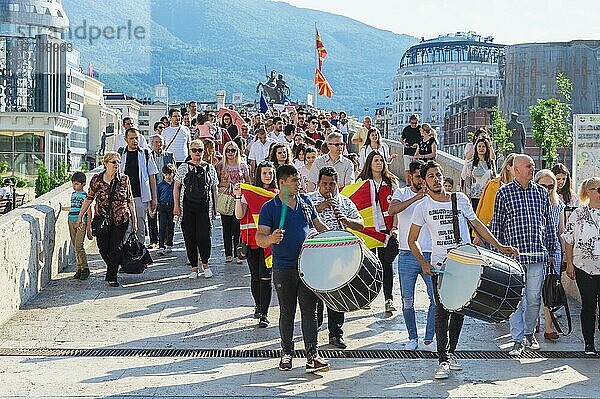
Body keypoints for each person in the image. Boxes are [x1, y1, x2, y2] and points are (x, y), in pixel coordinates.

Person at [408, 160, 518, 380]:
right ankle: (442, 360)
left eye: (438, 175)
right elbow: (412, 240)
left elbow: (478, 226)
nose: (436, 179)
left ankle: (451, 353)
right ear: (424, 181)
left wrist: (499, 247)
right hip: (441, 267)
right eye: (431, 176)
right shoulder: (423, 207)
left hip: (465, 263)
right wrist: (423, 262)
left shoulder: (460, 199)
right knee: (441, 312)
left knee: (460, 310)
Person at [256, 164, 330, 373]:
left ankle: (312, 355)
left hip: (307, 266)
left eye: (299, 180)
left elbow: (319, 227)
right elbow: (259, 238)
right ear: (282, 183)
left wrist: (337, 239)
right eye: (295, 181)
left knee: (310, 312)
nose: (299, 184)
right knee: (287, 312)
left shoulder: (306, 202)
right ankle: (286, 353)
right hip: (284, 267)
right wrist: (271, 238)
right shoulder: (270, 208)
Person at [490, 154, 557, 356]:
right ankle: (517, 339)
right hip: (514, 258)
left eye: (533, 166)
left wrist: (552, 249)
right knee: (515, 300)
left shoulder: (541, 193)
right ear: (516, 169)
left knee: (534, 298)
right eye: (528, 166)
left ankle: (529, 334)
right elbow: (497, 225)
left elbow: (548, 224)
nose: (532, 169)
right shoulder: (504, 193)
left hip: (537, 254)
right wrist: (497, 254)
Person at [307, 166, 364, 349]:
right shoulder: (308, 200)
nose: (328, 188)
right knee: (315, 293)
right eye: (324, 184)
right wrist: (319, 208)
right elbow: (300, 218)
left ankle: (336, 333)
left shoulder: (345, 202)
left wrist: (346, 221)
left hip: (339, 254)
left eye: (332, 184)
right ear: (319, 183)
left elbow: (361, 224)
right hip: (316, 254)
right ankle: (313, 331)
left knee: (338, 293)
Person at [388, 160, 436, 352]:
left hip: (430, 253)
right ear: (411, 178)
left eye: (422, 177)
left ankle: (428, 339)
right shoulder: (401, 192)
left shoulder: (432, 196)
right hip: (407, 253)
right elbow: (392, 210)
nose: (420, 181)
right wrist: (416, 197)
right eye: (417, 177)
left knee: (435, 298)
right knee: (407, 299)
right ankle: (412, 337)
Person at [76, 152, 137, 287]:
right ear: (106, 163)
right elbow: (89, 198)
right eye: (113, 162)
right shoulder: (97, 179)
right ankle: (112, 268)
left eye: (118, 162)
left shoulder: (124, 179)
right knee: (103, 248)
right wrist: (80, 216)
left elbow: (130, 200)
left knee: (116, 248)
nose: (116, 165)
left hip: (121, 219)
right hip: (102, 219)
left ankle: (112, 276)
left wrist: (134, 221)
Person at [233, 160, 278, 328]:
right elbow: (239, 215)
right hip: (251, 241)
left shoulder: (277, 193)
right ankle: (258, 306)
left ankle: (264, 313)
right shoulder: (249, 193)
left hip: (269, 242)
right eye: (265, 173)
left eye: (270, 173)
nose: (268, 176)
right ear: (259, 174)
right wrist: (238, 196)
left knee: (266, 277)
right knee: (255, 276)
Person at [358, 151, 400, 313]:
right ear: (369, 163)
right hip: (368, 229)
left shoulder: (391, 182)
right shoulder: (362, 182)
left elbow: (397, 207)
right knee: (368, 264)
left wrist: (394, 228)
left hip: (386, 229)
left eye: (381, 160)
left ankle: (388, 298)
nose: (379, 163)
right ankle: (367, 297)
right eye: (376, 160)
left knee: (386, 263)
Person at [563, 177, 600, 355]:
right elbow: (568, 240)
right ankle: (589, 343)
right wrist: (569, 264)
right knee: (589, 305)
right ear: (589, 192)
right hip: (584, 267)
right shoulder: (578, 214)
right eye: (599, 190)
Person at [173, 140, 219, 280]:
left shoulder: (209, 167)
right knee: (189, 237)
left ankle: (205, 265)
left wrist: (215, 208)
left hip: (204, 207)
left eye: (200, 150)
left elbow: (214, 188)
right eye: (194, 150)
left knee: (204, 236)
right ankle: (194, 267)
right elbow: (176, 187)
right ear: (189, 151)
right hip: (187, 207)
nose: (197, 153)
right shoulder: (183, 168)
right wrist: (176, 206)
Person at [534, 169, 565, 341]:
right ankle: (534, 320)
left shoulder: (557, 203)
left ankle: (548, 327)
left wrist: (564, 256)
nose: (546, 189)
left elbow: (561, 230)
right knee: (533, 290)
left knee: (549, 290)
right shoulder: (531, 201)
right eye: (543, 185)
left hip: (553, 251)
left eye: (550, 186)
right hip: (535, 250)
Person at [118, 128, 158, 244]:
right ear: (126, 139)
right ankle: (127, 255)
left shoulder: (145, 154)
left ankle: (141, 254)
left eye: (136, 138)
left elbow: (152, 176)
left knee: (140, 227)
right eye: (132, 138)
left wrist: (153, 198)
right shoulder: (121, 154)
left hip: (140, 196)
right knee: (125, 228)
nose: (135, 141)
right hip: (123, 198)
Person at [216, 141, 250, 264]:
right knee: (226, 228)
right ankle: (228, 253)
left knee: (237, 228)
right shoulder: (220, 165)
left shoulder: (243, 165)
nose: (230, 153)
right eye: (228, 150)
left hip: (239, 199)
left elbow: (248, 181)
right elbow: (216, 182)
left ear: (237, 151)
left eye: (233, 150)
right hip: (225, 198)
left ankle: (237, 253)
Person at [61, 172, 92, 280]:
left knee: (79, 245)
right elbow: (73, 207)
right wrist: (63, 209)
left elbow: (88, 211)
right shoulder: (73, 195)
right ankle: (79, 268)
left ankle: (85, 268)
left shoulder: (85, 196)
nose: (74, 186)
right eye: (73, 183)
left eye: (77, 184)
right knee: (75, 246)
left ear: (83, 184)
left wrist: (88, 227)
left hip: (81, 222)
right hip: (71, 220)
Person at [474, 153, 516, 230]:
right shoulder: (493, 185)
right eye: (515, 166)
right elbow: (485, 211)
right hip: (494, 229)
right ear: (508, 167)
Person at [148, 134, 175, 249]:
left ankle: (166, 240)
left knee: (168, 219)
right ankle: (154, 240)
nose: (159, 144)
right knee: (152, 215)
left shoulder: (169, 156)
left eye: (160, 142)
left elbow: (174, 171)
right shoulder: (148, 156)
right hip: (152, 188)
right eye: (156, 142)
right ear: (152, 144)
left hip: (166, 188)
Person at [461, 137, 495, 210]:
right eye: (479, 146)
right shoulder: (471, 164)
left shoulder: (491, 163)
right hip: (475, 196)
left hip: (488, 195)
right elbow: (468, 181)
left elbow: (494, 179)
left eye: (483, 146)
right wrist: (468, 197)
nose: (481, 148)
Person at [156, 163, 176, 255]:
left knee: (171, 226)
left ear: (173, 173)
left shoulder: (175, 185)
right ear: (163, 174)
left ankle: (169, 244)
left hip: (172, 206)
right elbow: (158, 196)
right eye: (166, 174)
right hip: (163, 206)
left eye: (170, 173)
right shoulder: (160, 185)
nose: (168, 176)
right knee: (162, 226)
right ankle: (161, 246)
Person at [400, 114, 421, 182]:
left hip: (417, 153)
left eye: (416, 123)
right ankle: (407, 183)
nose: (414, 125)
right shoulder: (406, 129)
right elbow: (401, 139)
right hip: (407, 151)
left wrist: (417, 145)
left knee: (417, 170)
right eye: (412, 123)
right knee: (407, 169)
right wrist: (404, 144)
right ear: (410, 122)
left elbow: (424, 140)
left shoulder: (420, 129)